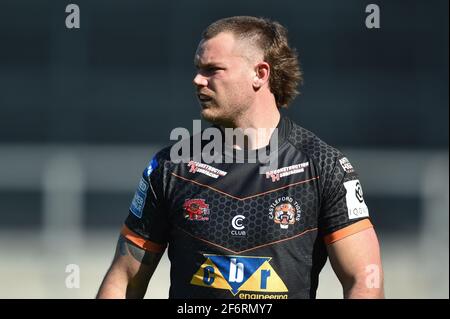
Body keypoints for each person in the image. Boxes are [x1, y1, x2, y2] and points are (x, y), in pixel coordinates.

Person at [97, 16, 384, 299]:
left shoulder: (323, 167)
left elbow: (364, 281)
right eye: (198, 69)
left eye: (213, 69)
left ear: (260, 74)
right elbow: (123, 281)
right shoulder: (172, 166)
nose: (198, 80)